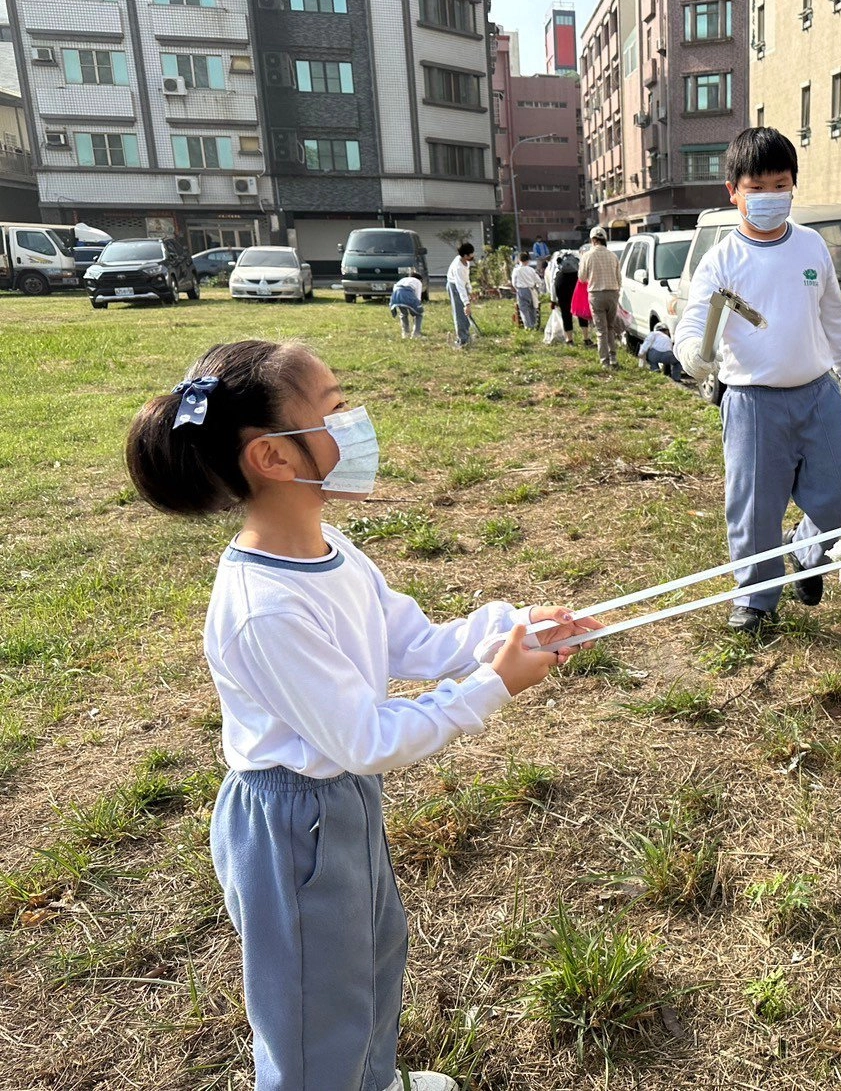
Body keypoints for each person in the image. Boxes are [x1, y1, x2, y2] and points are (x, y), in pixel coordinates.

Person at [124, 339, 598, 1091]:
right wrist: (492, 687)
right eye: (336, 410)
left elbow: (411, 640)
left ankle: (372, 1080)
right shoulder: (263, 610)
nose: (356, 425)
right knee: (313, 1007)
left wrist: (507, 630)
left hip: (341, 798)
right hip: (290, 824)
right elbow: (366, 737)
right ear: (273, 458)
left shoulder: (330, 547)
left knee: (374, 954)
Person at [674, 127, 841, 635]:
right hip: (752, 401)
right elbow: (695, 322)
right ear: (732, 191)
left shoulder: (810, 246)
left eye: (780, 185)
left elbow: (833, 315)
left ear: (793, 187)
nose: (769, 197)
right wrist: (692, 351)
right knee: (756, 507)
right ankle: (756, 598)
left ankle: (807, 551)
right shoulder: (721, 260)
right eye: (756, 188)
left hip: (817, 390)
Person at [577, 227, 622, 368]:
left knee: (601, 330)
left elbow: (582, 278)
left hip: (596, 294)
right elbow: (619, 278)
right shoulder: (613, 255)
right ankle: (613, 357)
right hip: (613, 293)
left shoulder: (587, 256)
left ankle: (605, 361)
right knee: (610, 327)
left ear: (593, 240)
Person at [550, 249, 585, 346]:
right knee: (581, 312)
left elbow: (553, 283)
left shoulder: (558, 266)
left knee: (566, 313)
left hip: (561, 284)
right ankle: (586, 338)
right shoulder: (578, 261)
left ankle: (569, 340)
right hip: (576, 282)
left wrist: (553, 300)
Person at [446, 242, 475, 347]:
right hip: (455, 287)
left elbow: (466, 279)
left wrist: (470, 291)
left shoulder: (466, 262)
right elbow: (460, 287)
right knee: (460, 313)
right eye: (471, 254)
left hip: (461, 286)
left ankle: (466, 335)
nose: (473, 256)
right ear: (465, 255)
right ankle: (462, 339)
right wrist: (466, 304)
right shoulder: (458, 267)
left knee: (466, 314)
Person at [511, 251, 542, 330]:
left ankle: (528, 326)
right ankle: (534, 324)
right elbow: (539, 281)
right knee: (532, 308)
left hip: (521, 290)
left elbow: (514, 282)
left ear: (519, 260)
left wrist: (517, 289)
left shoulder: (516, 270)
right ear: (528, 260)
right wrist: (537, 287)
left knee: (524, 309)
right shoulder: (531, 270)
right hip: (531, 290)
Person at [387, 274, 424, 339]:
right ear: (420, 279)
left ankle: (405, 334)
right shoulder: (418, 282)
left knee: (403, 314)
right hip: (407, 293)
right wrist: (418, 306)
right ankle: (416, 334)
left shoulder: (403, 279)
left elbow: (395, 288)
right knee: (418, 314)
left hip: (396, 295)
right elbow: (418, 297)